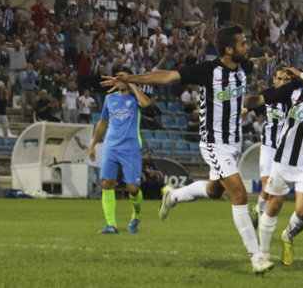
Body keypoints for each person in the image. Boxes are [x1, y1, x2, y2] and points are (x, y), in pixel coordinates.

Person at [104, 25, 274, 274]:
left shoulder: (243, 67)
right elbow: (167, 76)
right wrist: (130, 79)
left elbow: (255, 62)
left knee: (214, 191)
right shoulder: (208, 71)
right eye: (243, 44)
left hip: (234, 143)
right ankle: (256, 257)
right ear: (229, 49)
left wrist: (265, 60)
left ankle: (172, 196)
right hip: (214, 143)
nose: (247, 47)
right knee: (238, 195)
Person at [243, 54, 303, 267]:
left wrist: (300, 74)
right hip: (283, 160)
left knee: (302, 212)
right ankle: (264, 254)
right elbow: (261, 99)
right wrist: (231, 105)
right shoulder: (294, 90)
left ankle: (288, 235)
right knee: (274, 205)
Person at [89, 70, 150, 235]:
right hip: (111, 146)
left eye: (123, 77)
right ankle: (111, 224)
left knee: (133, 189)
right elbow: (102, 122)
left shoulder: (135, 98)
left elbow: (147, 104)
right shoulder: (110, 99)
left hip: (130, 148)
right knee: (107, 183)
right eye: (118, 77)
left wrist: (132, 83)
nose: (119, 80)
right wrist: (94, 144)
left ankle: (136, 216)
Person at [249, 65, 290, 225]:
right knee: (267, 184)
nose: (283, 82)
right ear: (274, 80)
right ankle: (262, 219)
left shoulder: (295, 100)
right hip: (268, 146)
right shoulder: (266, 97)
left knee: (274, 189)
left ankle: (258, 210)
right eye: (279, 78)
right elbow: (248, 108)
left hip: (285, 150)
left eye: (286, 79)